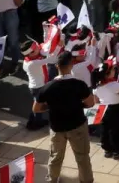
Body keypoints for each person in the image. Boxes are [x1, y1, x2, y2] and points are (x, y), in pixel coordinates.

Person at [33, 51, 97, 183]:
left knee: (55, 157)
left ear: (57, 66)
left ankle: (52, 180)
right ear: (71, 65)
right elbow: (90, 103)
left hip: (57, 128)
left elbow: (36, 108)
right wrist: (79, 105)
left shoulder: (47, 88)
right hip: (77, 125)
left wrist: (51, 106)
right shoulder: (79, 85)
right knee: (82, 157)